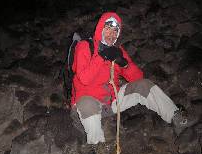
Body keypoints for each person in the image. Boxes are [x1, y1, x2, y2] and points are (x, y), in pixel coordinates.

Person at [70, 12, 195, 145]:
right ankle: (97, 145)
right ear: (100, 29)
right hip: (87, 105)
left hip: (112, 103)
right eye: (108, 29)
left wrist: (124, 64)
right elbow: (84, 78)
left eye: (115, 31)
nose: (111, 35)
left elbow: (138, 78)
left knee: (144, 85)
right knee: (87, 104)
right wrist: (102, 57)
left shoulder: (118, 50)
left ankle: (175, 116)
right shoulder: (85, 46)